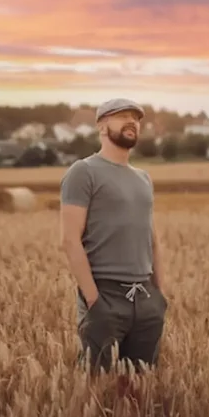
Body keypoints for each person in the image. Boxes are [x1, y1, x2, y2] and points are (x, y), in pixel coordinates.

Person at [59, 98, 168, 375]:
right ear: (102, 126)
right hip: (105, 296)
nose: (132, 121)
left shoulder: (143, 178)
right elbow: (70, 240)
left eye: (136, 118)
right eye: (122, 116)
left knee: (139, 394)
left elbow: (152, 239)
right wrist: (94, 301)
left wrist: (159, 295)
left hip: (145, 299)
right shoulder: (83, 172)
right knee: (95, 393)